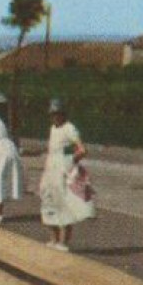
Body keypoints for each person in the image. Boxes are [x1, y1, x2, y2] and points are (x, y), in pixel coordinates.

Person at [38, 98, 95, 251]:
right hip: (50, 169)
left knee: (64, 203)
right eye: (52, 114)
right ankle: (53, 238)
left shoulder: (69, 128)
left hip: (62, 171)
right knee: (49, 201)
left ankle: (63, 242)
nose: (55, 117)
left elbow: (82, 150)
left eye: (57, 114)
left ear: (63, 114)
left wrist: (69, 161)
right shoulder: (52, 128)